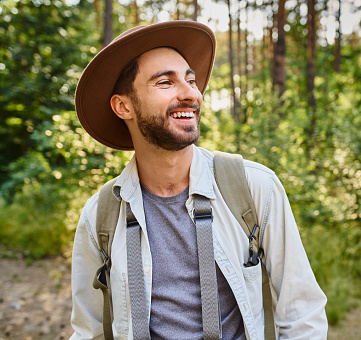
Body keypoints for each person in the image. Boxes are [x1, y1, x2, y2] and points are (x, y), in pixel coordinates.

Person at [70, 21, 327, 340]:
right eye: (166, 82)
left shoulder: (252, 187)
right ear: (124, 106)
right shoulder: (100, 216)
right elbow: (89, 331)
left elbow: (302, 313)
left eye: (191, 80)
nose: (191, 93)